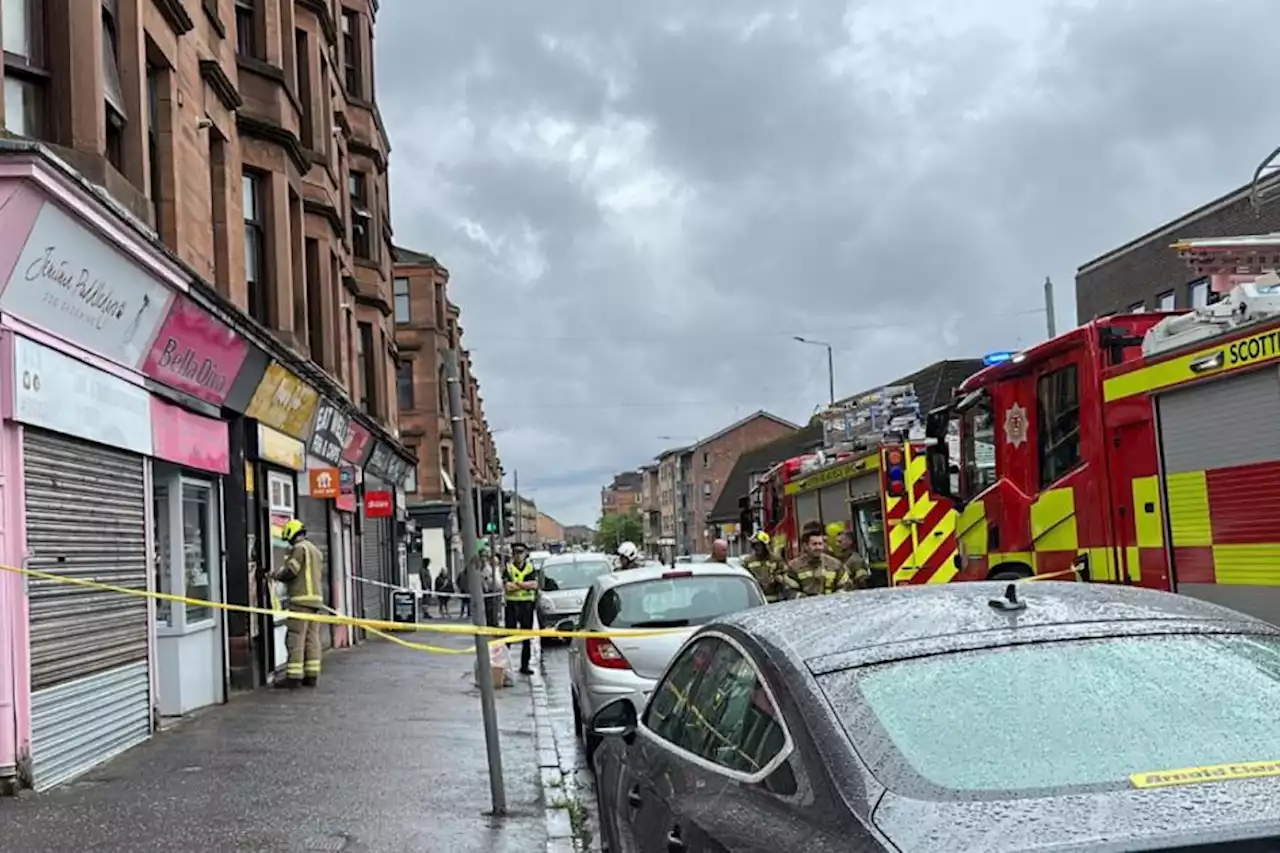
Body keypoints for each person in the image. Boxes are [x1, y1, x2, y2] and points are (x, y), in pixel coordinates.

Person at [272, 519, 325, 689]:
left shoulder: (299, 549)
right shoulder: (315, 550)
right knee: (312, 638)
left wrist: (275, 575)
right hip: (315, 601)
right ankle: (312, 675)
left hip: (300, 600)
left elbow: (291, 571)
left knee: (295, 637)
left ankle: (293, 676)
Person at [785, 522, 856, 598]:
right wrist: (805, 598)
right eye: (814, 544)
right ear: (805, 546)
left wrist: (836, 597)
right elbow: (789, 591)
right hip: (806, 608)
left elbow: (846, 585)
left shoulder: (835, 564)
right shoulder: (794, 566)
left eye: (820, 544)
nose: (818, 547)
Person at [503, 542, 538, 675]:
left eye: (520, 553)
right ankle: (504, 665)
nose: (518, 556)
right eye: (515, 553)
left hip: (527, 606)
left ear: (525, 554)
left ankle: (525, 665)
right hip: (512, 605)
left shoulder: (530, 568)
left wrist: (517, 584)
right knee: (508, 637)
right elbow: (507, 587)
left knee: (526, 637)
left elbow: (534, 584)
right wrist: (525, 585)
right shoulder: (509, 568)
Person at [742, 531, 788, 602]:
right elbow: (744, 580)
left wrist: (776, 579)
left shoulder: (776, 559)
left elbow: (785, 575)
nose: (756, 547)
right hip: (756, 600)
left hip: (775, 599)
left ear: (765, 545)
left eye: (759, 545)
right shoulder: (748, 561)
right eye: (754, 545)